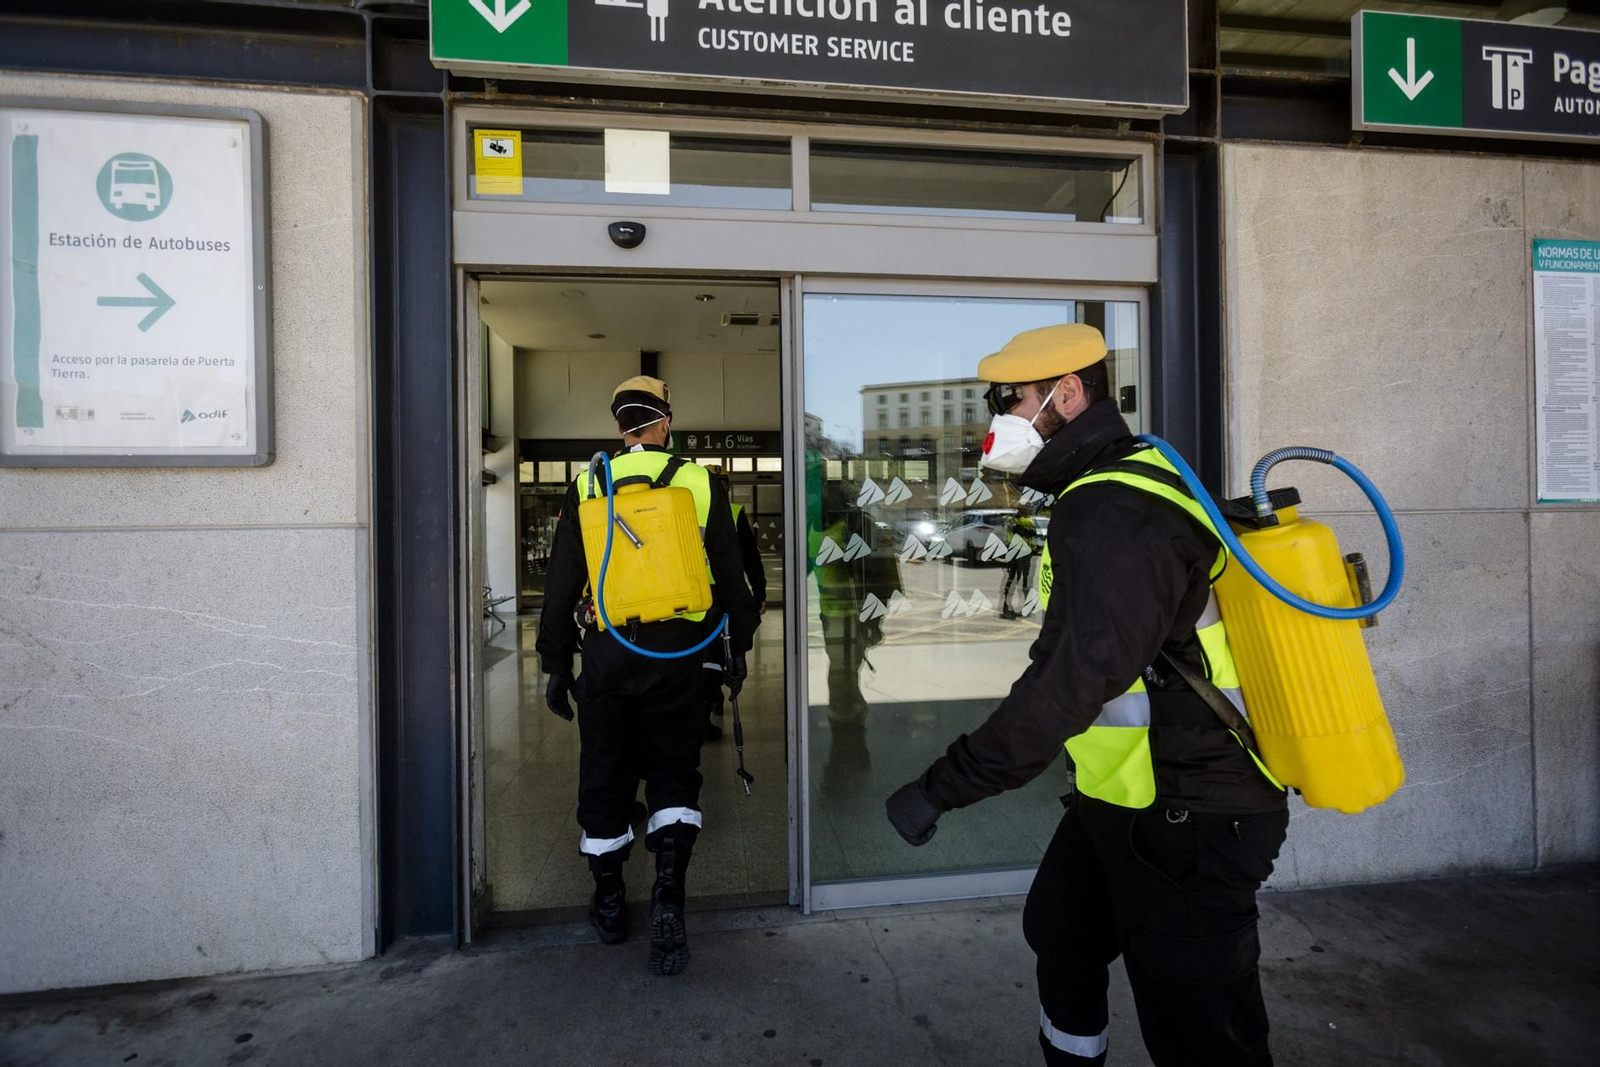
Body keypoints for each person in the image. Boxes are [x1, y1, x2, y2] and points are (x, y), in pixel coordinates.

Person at [884, 323, 1290, 1066]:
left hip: (1194, 814)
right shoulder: (1108, 488)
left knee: (1201, 1028)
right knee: (1063, 931)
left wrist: (943, 786)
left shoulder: (1114, 507)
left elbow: (1072, 681)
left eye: (1013, 398)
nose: (998, 415)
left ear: (1068, 394)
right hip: (1125, 799)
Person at [537, 376, 761, 976]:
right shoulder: (700, 480)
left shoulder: (588, 482)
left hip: (609, 651)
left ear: (621, 428)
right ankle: (669, 892)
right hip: (681, 654)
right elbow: (731, 575)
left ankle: (610, 904)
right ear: (666, 422)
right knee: (673, 768)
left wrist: (555, 661)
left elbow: (561, 581)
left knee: (604, 769)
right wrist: (738, 649)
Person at [701, 465, 768, 742]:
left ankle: (709, 701)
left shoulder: (686, 507)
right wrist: (759, 592)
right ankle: (711, 698)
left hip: (697, 594)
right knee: (717, 652)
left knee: (705, 653)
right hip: (720, 593)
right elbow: (751, 557)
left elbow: (750, 557)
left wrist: (759, 592)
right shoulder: (733, 512)